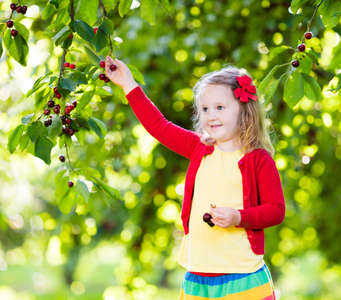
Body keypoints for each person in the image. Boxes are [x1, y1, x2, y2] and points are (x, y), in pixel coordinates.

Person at [105, 56, 285, 300]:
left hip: (242, 276)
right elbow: (158, 126)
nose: (211, 116)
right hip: (198, 275)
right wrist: (128, 83)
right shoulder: (198, 148)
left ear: (244, 110)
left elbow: (276, 210)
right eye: (205, 109)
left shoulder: (259, 159)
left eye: (220, 107)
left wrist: (238, 217)